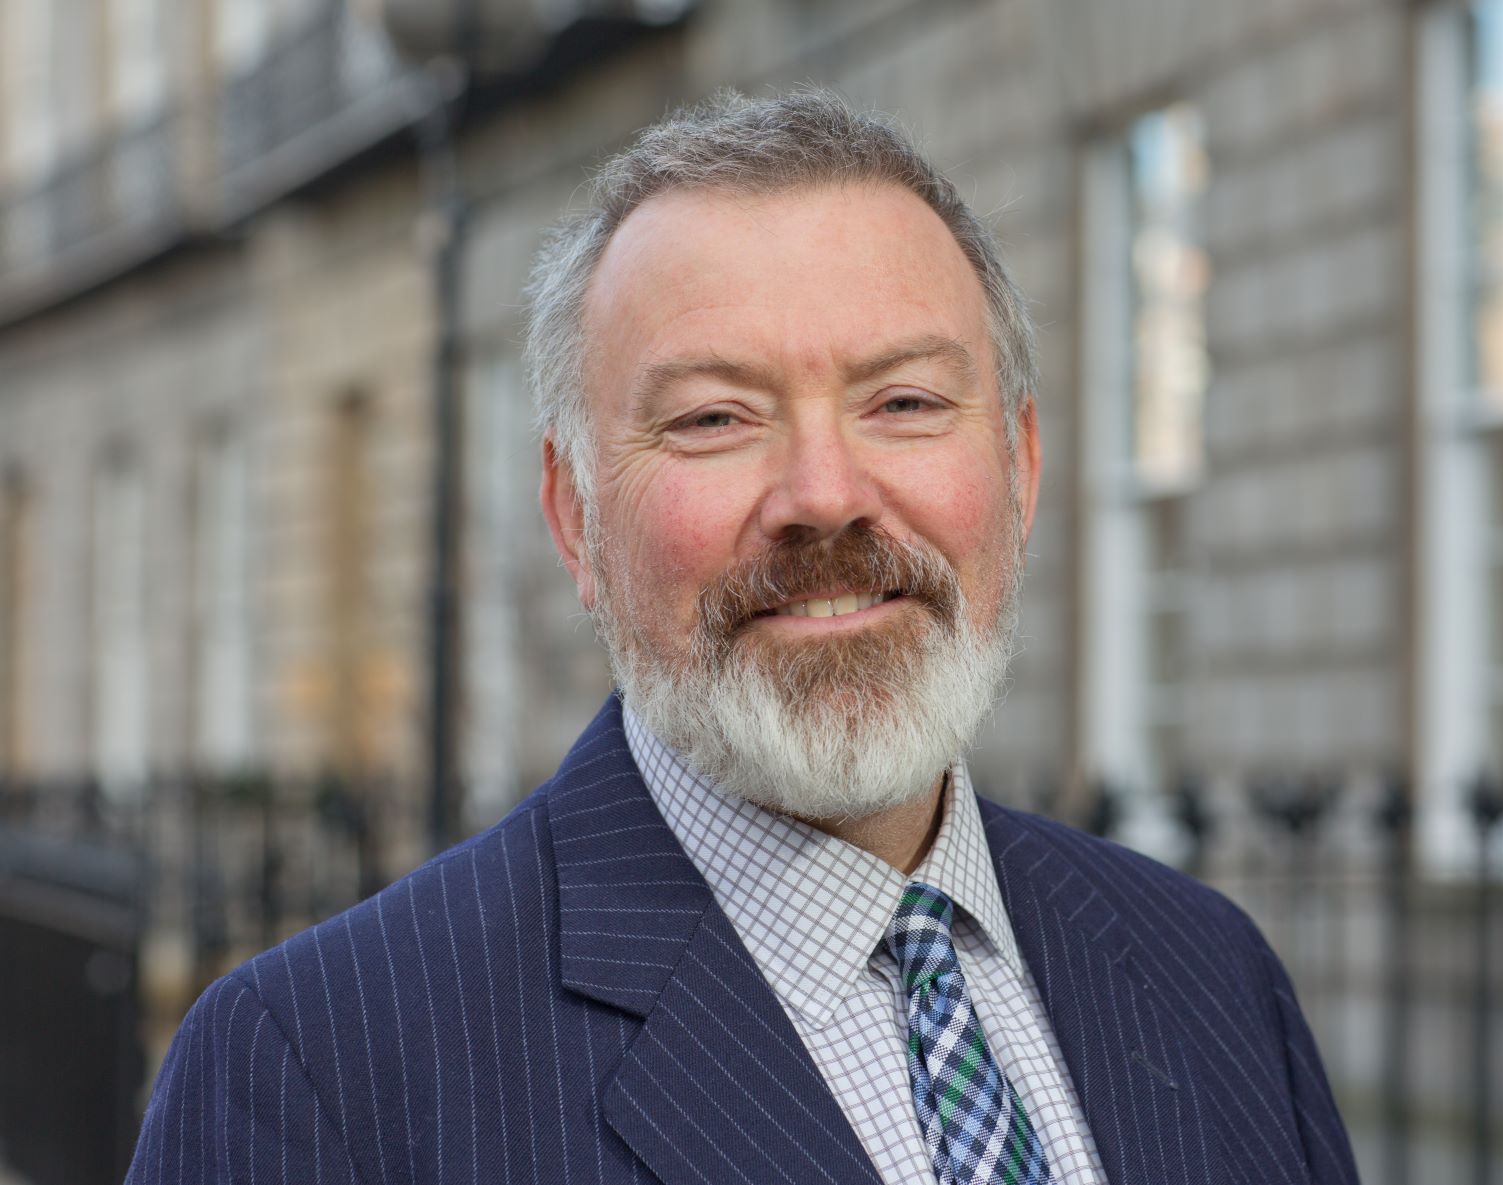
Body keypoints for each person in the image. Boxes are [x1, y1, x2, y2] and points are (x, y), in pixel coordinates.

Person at [126, 91, 1358, 1185]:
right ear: (575, 516)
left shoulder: (1212, 975)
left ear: (1021, 470)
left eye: (906, 402)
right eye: (715, 418)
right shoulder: (319, 1072)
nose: (825, 494)